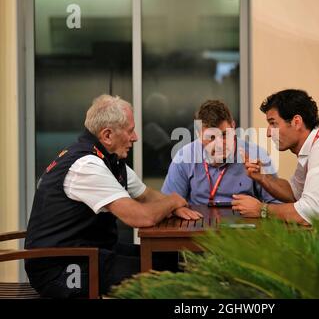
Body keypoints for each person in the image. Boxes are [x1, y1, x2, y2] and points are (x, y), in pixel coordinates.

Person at [24, 94, 202, 298]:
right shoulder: (86, 166)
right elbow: (140, 217)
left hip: (90, 252)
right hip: (59, 268)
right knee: (166, 277)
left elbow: (146, 195)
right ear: (107, 135)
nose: (135, 137)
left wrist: (173, 206)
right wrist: (173, 200)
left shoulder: (108, 160)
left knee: (169, 261)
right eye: (130, 131)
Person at [232, 89, 319, 227]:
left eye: (273, 123)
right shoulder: (312, 146)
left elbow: (309, 213)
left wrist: (261, 209)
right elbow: (294, 193)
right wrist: (262, 177)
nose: (268, 133)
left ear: (296, 122)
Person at [161, 100, 278, 205]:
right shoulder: (184, 156)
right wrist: (177, 208)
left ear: (233, 126)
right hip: (198, 223)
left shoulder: (257, 155)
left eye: (224, 135)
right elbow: (167, 203)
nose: (219, 144)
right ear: (198, 135)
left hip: (244, 224)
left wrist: (260, 209)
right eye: (211, 137)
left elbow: (276, 204)